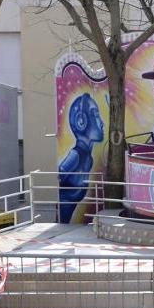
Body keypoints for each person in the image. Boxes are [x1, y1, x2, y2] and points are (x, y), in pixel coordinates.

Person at [57, 93, 103, 223]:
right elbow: (61, 172)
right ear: (81, 121)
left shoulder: (88, 157)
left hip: (71, 202)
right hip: (66, 202)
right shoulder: (76, 155)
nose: (102, 123)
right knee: (64, 222)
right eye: (96, 115)